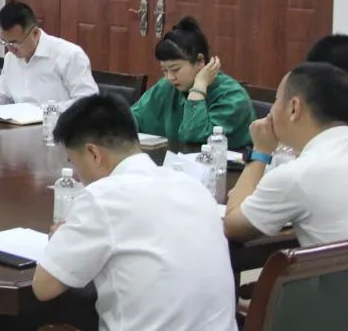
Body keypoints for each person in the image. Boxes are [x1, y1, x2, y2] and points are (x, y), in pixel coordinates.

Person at [33, 94, 237, 331]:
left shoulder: (102, 197)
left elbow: (43, 287)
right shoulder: (193, 186)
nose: (78, 175)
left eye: (74, 163)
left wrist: (61, 237)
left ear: (94, 154)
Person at [224, 62, 348, 247]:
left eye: (276, 100)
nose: (272, 110)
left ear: (294, 108)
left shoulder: (297, 175)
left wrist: (261, 151)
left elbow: (233, 226)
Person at [130, 17, 254, 147]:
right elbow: (134, 117)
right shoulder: (166, 87)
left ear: (200, 61)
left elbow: (193, 138)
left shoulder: (232, 97)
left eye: (175, 69)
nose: (170, 77)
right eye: (165, 70)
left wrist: (198, 88)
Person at [0, 2, 97, 109]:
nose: (10, 48)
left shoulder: (69, 55)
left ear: (35, 33)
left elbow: (88, 101)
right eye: (5, 41)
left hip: (59, 130)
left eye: (15, 42)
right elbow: (1, 96)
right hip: (18, 130)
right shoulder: (11, 59)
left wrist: (46, 110)